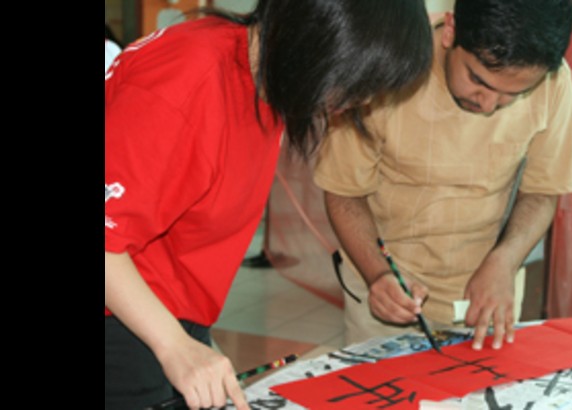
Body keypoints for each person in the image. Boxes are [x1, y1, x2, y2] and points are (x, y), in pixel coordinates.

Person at [104, 0, 432, 409]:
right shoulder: (188, 81)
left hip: (160, 309)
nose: (359, 102)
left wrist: (194, 340)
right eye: (355, 83)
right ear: (315, 39)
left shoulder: (258, 77)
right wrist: (173, 346)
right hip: (122, 319)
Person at [315, 0, 572, 352]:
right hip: (385, 286)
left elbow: (543, 192)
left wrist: (504, 261)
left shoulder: (554, 82)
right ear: (450, 31)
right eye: (478, 80)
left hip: (487, 293)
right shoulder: (388, 63)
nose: (487, 105)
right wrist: (378, 274)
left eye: (514, 95)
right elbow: (344, 192)